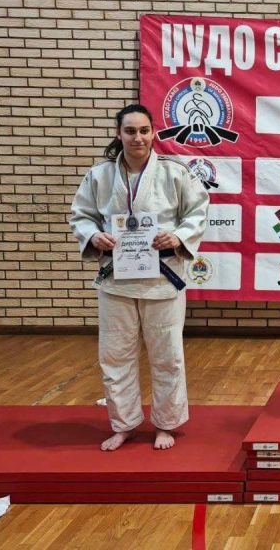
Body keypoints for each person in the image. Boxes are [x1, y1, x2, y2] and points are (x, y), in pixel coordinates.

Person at [70, 104, 208, 451]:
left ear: (153, 133)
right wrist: (93, 236)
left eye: (144, 130)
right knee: (115, 355)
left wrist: (178, 236)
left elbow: (197, 211)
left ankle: (166, 423)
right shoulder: (99, 175)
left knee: (167, 355)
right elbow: (81, 215)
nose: (138, 138)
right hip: (116, 278)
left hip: (162, 278)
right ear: (118, 134)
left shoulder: (175, 172)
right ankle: (124, 423)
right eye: (130, 131)